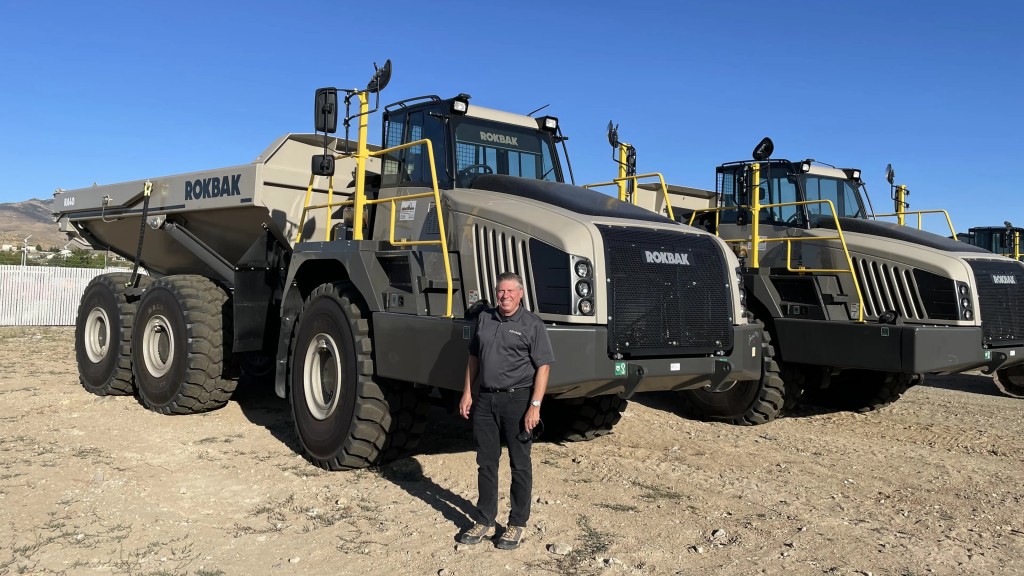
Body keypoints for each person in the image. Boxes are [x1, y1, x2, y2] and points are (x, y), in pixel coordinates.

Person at [458, 271, 554, 550]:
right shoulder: (485, 318)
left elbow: (544, 367)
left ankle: (516, 523)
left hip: (518, 401)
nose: (505, 296)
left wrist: (534, 406)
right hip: (485, 401)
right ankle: (485, 519)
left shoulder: (532, 325)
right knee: (486, 462)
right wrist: (467, 392)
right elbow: (473, 357)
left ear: (520, 294)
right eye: (501, 291)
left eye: (511, 291)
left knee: (519, 464)